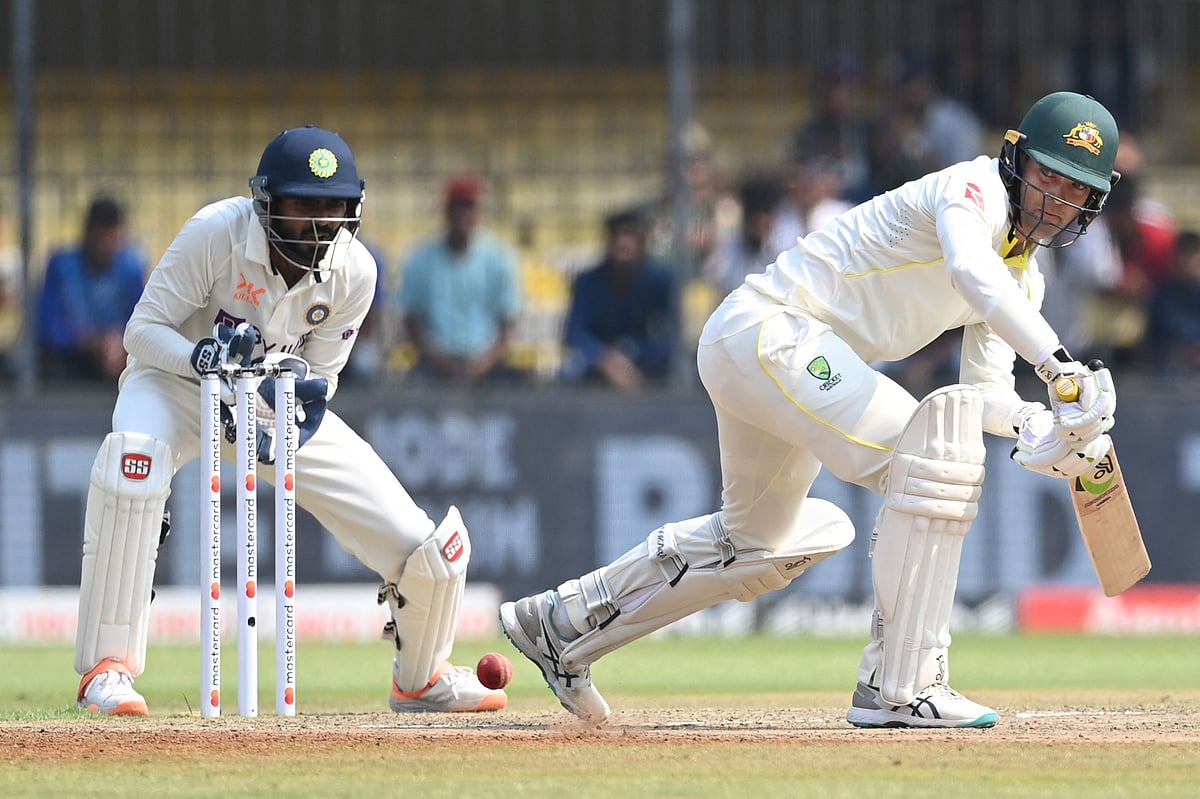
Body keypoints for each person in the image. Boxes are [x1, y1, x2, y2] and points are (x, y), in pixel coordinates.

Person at [500, 92, 1121, 729]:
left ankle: (562, 620)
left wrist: (1041, 424)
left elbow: (985, 391)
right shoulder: (971, 190)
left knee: (758, 544)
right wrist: (1061, 368)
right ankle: (902, 684)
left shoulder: (1024, 281)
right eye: (1048, 176)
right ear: (1015, 160)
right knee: (930, 460)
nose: (1058, 200)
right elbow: (970, 273)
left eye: (1076, 189)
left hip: (775, 356)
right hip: (777, 333)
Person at [73, 126, 507, 716]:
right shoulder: (216, 233)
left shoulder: (356, 272)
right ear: (267, 203)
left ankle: (422, 677)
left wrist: (285, 425)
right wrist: (200, 359)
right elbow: (140, 334)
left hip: (267, 406)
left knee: (429, 547)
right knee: (132, 466)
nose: (320, 222)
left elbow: (319, 379)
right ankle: (108, 670)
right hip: (174, 384)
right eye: (305, 204)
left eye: (334, 207)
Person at [396, 174, 523, 385]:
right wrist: (441, 361)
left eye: (469, 207)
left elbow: (507, 321)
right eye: (457, 207)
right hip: (433, 364)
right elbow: (412, 321)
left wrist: (485, 361)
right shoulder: (420, 259)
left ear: (479, 212)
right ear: (446, 211)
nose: (463, 214)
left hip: (488, 364)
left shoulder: (500, 257)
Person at [561, 210, 679, 390]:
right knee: (571, 367)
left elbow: (672, 335)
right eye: (617, 234)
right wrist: (606, 360)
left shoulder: (659, 280)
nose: (623, 242)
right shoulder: (588, 281)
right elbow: (574, 333)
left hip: (643, 359)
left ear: (642, 241)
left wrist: (635, 352)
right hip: (599, 360)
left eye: (630, 234)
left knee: (679, 366)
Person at [37, 196, 148, 383]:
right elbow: (47, 326)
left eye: (112, 239)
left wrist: (120, 341)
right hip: (71, 361)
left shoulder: (131, 267)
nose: (105, 247)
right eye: (100, 238)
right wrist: (87, 341)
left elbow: (143, 320)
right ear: (86, 234)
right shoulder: (62, 265)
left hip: (119, 358)